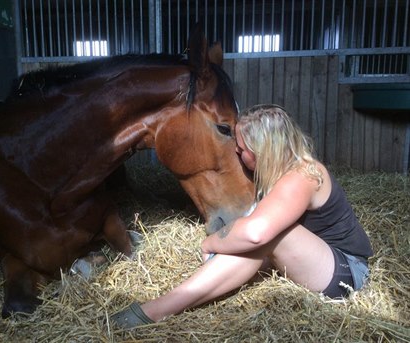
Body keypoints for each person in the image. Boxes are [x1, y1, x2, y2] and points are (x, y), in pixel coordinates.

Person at [111, 104, 373, 329]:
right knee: (253, 240)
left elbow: (255, 232)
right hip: (314, 261)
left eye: (242, 148)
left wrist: (211, 243)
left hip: (346, 272)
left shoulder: (303, 175)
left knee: (269, 235)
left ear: (262, 150)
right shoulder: (274, 174)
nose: (236, 153)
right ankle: (172, 301)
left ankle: (154, 311)